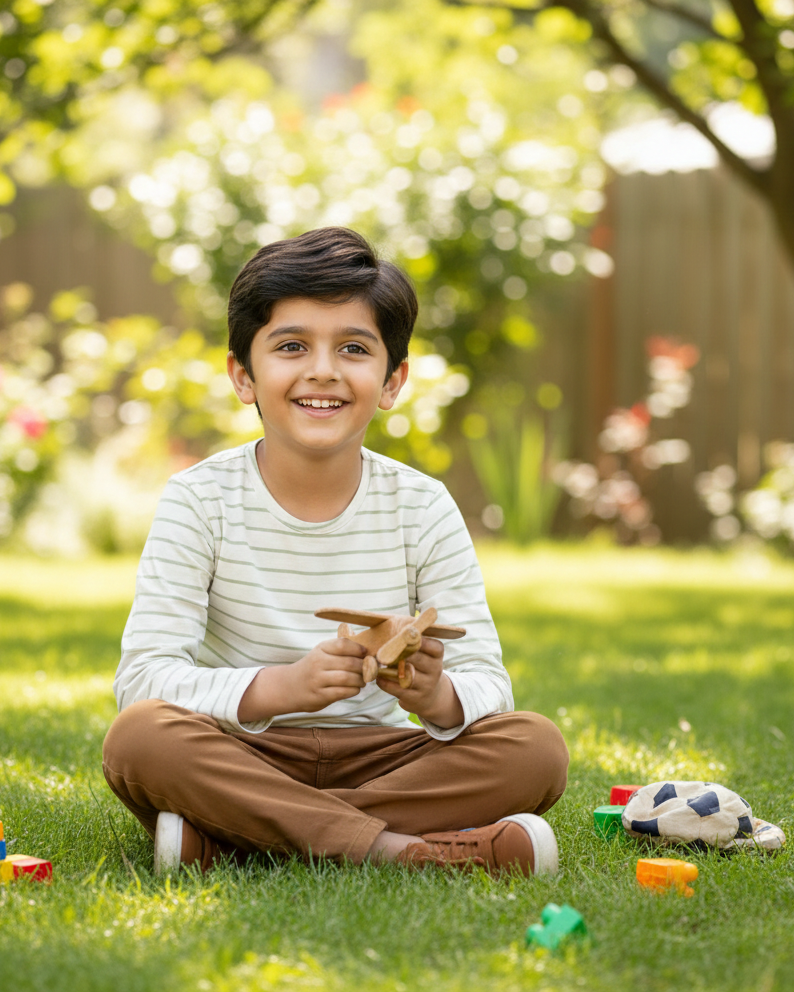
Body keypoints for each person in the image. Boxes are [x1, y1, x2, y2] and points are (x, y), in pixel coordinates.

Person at [102, 227, 568, 876]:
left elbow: (490, 684)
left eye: (353, 348)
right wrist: (280, 688)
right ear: (243, 376)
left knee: (535, 747)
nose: (322, 370)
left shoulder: (422, 505)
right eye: (291, 346)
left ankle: (234, 839)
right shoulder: (198, 499)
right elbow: (143, 679)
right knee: (140, 736)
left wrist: (436, 699)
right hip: (246, 752)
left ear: (392, 380)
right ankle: (399, 852)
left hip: (385, 755)